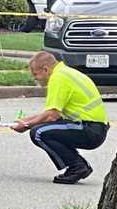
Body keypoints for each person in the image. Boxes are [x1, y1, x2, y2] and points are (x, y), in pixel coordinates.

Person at [12, 52, 109, 184]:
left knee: (38, 133)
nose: (35, 78)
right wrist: (26, 121)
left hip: (88, 128)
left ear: (45, 69)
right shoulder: (66, 72)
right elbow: (53, 113)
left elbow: (52, 115)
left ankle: (77, 167)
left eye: (35, 74)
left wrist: (27, 126)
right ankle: (78, 165)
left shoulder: (58, 78)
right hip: (94, 128)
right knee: (43, 128)